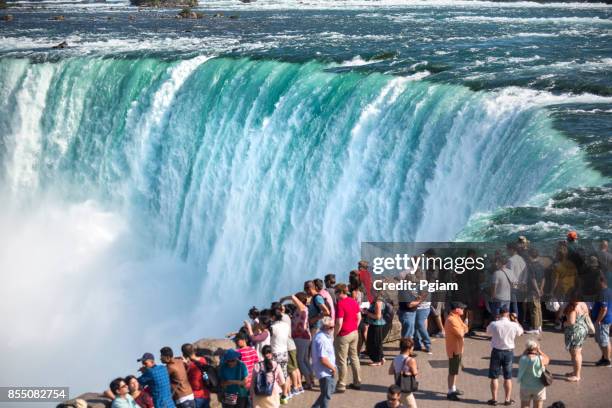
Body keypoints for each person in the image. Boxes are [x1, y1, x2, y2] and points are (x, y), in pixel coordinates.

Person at [486, 305, 524, 406]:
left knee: (494, 377)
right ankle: (507, 400)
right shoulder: (513, 325)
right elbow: (521, 332)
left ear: (499, 313)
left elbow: (488, 333)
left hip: (496, 352)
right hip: (508, 352)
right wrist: (516, 320)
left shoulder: (494, 324)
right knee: (508, 377)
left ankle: (494, 399)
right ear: (508, 314)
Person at [334, 283, 362, 392]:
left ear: (340, 292)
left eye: (336, 293)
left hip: (343, 335)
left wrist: (334, 335)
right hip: (354, 333)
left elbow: (339, 322)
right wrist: (354, 327)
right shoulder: (353, 301)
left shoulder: (340, 304)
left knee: (342, 360)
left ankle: (341, 384)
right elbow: (358, 317)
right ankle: (357, 382)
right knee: (354, 357)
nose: (335, 295)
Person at [283, 292, 313, 389]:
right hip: (304, 337)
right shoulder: (301, 309)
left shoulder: (302, 309)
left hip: (301, 337)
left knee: (300, 360)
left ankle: (308, 382)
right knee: (304, 360)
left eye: (296, 299)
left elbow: (292, 296)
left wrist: (283, 299)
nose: (293, 301)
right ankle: (310, 380)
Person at [444, 301, 468, 401]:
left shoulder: (456, 317)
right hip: (454, 350)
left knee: (455, 371)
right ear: (456, 309)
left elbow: (466, 329)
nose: (463, 310)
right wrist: (464, 328)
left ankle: (453, 388)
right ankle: (450, 392)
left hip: (458, 349)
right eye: (462, 308)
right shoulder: (451, 320)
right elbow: (461, 333)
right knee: (452, 372)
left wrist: (464, 327)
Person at [311, 316, 337, 408]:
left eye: (333, 326)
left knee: (328, 392)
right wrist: (333, 368)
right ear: (324, 326)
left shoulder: (324, 335)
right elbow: (323, 359)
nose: (333, 329)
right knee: (326, 395)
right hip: (325, 370)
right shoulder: (322, 339)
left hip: (327, 369)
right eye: (331, 327)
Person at [551, 244, 577, 330]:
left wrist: (552, 291)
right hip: (571, 288)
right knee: (567, 306)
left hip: (561, 288)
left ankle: (558, 323)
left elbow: (555, 281)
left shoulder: (557, 266)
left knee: (560, 307)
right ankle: (568, 322)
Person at [269, 304, 292, 404]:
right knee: (284, 375)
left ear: (273, 317)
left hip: (275, 353)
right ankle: (285, 395)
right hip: (284, 352)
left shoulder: (272, 327)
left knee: (275, 375)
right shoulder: (286, 325)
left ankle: (277, 395)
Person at [563, 298, 589, 382]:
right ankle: (575, 372)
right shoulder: (583, 304)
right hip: (582, 329)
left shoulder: (572, 307)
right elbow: (587, 314)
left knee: (576, 354)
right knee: (577, 353)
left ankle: (577, 375)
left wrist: (564, 323)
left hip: (575, 332)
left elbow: (571, 322)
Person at [518, 340, 549, 408]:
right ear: (536, 348)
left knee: (525, 406)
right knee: (538, 406)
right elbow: (547, 359)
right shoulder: (540, 359)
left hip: (525, 386)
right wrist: (540, 351)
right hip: (538, 387)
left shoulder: (522, 359)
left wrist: (525, 351)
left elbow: (522, 356)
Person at [388, 338, 418, 408]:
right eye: (412, 348)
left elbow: (390, 372)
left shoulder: (395, 358)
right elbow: (415, 373)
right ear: (409, 349)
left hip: (398, 388)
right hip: (406, 389)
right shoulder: (411, 360)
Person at [525, 248, 548, 334]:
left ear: (530, 256)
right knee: (539, 308)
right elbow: (543, 278)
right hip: (540, 287)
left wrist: (537, 290)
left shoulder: (530, 266)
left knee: (533, 309)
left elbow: (532, 279)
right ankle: (539, 326)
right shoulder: (540, 265)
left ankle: (535, 327)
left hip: (533, 290)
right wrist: (541, 288)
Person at [181, 344, 211, 408]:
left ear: (184, 354)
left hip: (196, 396)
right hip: (206, 393)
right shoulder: (203, 360)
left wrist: (186, 364)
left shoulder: (188, 365)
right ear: (193, 350)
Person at [592, 277, 612, 367]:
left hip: (603, 321)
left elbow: (604, 308)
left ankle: (607, 360)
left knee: (604, 340)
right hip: (605, 319)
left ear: (601, 282)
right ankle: (605, 357)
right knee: (602, 340)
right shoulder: (608, 291)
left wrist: (598, 320)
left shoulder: (603, 293)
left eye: (596, 283)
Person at [364, 294, 387, 366]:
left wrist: (367, 313)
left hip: (377, 325)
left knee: (375, 342)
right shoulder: (379, 301)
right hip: (376, 325)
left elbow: (377, 316)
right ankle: (381, 357)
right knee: (377, 342)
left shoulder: (378, 303)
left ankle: (377, 361)